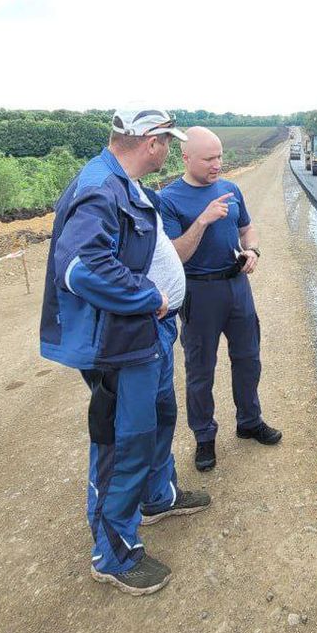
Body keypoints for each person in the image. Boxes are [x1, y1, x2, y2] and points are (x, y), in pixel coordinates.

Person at [39, 109, 210, 597]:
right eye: (166, 142)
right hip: (119, 343)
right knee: (124, 441)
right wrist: (148, 296)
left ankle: (157, 497)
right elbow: (79, 267)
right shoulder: (100, 188)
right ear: (150, 142)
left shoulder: (126, 183)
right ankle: (113, 554)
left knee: (159, 417)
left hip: (148, 338)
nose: (168, 151)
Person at [159, 126, 281, 473]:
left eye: (220, 156)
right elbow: (174, 256)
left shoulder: (231, 189)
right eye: (209, 159)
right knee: (200, 370)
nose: (218, 164)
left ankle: (249, 421)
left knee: (248, 358)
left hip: (237, 286)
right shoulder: (169, 199)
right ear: (186, 158)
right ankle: (204, 437)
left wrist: (252, 250)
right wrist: (203, 220)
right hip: (199, 291)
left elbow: (247, 228)